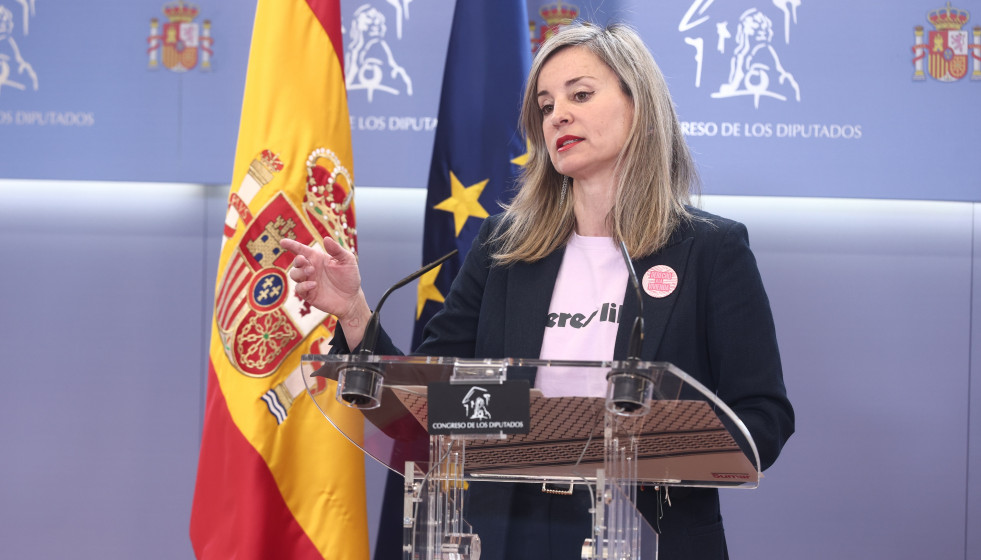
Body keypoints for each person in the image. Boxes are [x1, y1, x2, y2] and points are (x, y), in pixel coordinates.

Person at [282, 22, 794, 560]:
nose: (558, 116)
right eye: (546, 106)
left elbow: (763, 419)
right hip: (507, 537)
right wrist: (354, 313)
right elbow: (428, 410)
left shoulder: (708, 250)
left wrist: (645, 444)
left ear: (639, 104)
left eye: (580, 95)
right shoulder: (505, 249)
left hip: (651, 537)